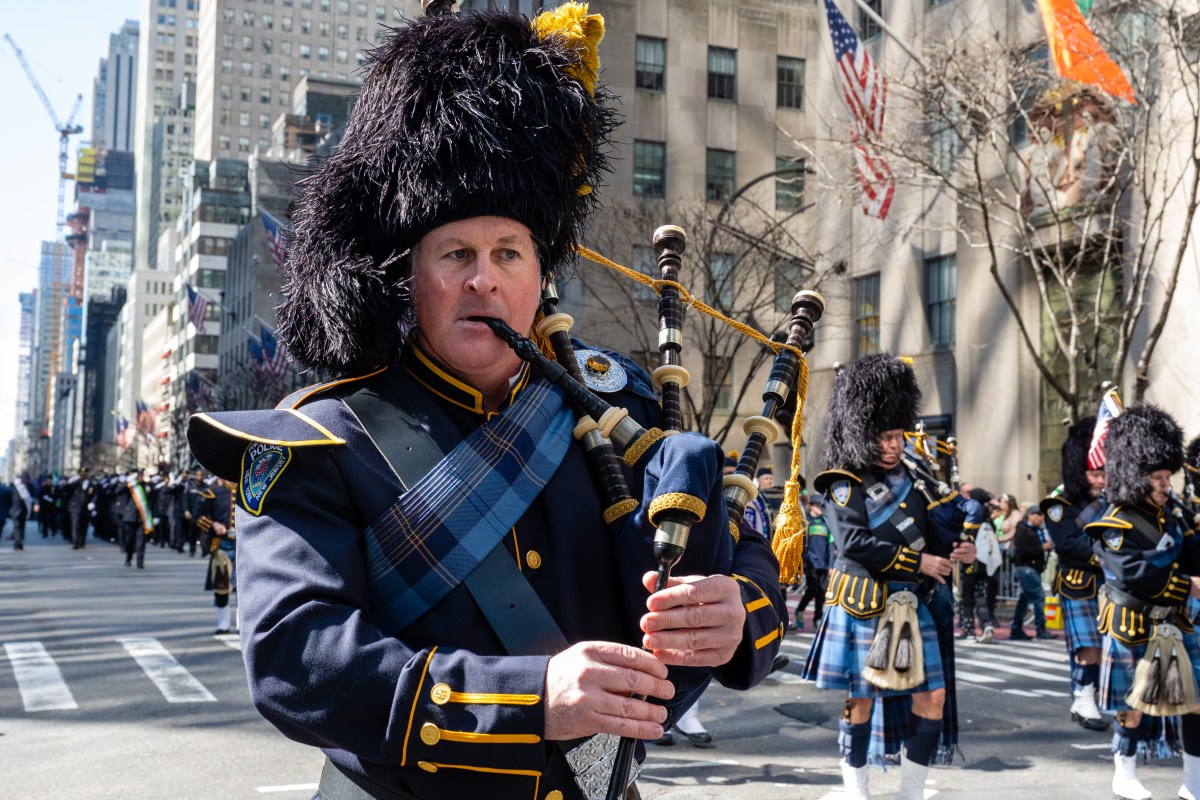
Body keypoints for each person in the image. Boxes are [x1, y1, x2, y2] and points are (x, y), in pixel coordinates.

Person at [185, 7, 787, 798]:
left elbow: (748, 548)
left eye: (508, 252)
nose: (485, 279)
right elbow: (298, 657)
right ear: (408, 275)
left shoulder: (622, 405)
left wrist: (738, 613)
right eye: (456, 254)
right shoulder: (317, 438)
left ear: (541, 274)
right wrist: (531, 700)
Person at [801, 353, 976, 800]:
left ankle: (910, 792)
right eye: (883, 436)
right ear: (863, 434)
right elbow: (855, 544)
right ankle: (856, 789)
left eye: (897, 435)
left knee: (932, 697)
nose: (893, 445)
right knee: (860, 700)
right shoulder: (843, 482)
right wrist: (918, 563)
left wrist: (962, 552)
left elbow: (937, 536)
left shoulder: (920, 477)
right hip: (864, 600)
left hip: (912, 603)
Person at [1089, 405, 1200, 800]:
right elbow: (1134, 573)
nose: (1165, 484)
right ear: (1137, 478)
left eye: (1167, 476)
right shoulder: (1114, 523)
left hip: (1172, 621)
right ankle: (1125, 773)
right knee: (1130, 705)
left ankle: (1193, 781)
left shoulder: (1173, 516)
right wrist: (1187, 585)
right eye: (1157, 477)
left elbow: (1193, 555)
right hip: (1131, 620)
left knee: (1194, 700)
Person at [1042, 415, 1108, 731]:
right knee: (1088, 645)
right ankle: (1083, 697)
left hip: (1112, 584)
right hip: (1079, 584)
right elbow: (1067, 544)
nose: (1101, 479)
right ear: (1080, 472)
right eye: (1095, 473)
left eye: (1104, 472)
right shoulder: (1059, 503)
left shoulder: (1115, 503)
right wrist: (1108, 557)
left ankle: (1094, 694)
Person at [194, 476, 237, 634]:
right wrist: (213, 524)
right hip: (222, 545)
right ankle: (223, 624)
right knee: (221, 586)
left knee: (245, 589)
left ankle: (243, 626)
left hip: (245, 546)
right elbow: (197, 517)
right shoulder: (213, 493)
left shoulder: (249, 492)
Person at [1009, 505, 1055, 640]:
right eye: (1037, 514)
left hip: (1033, 568)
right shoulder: (1023, 530)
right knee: (1038, 597)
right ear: (1029, 515)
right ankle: (1041, 629)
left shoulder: (1037, 530)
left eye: (1041, 515)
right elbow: (1023, 550)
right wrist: (1042, 548)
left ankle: (1016, 629)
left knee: (1024, 599)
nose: (1040, 518)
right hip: (1026, 567)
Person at [793, 496, 830, 630]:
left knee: (821, 592)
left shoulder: (826, 522)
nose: (821, 508)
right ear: (812, 505)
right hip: (810, 563)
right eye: (818, 506)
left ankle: (817, 618)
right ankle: (800, 610)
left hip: (823, 563)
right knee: (813, 588)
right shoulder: (806, 522)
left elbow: (830, 544)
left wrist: (830, 563)